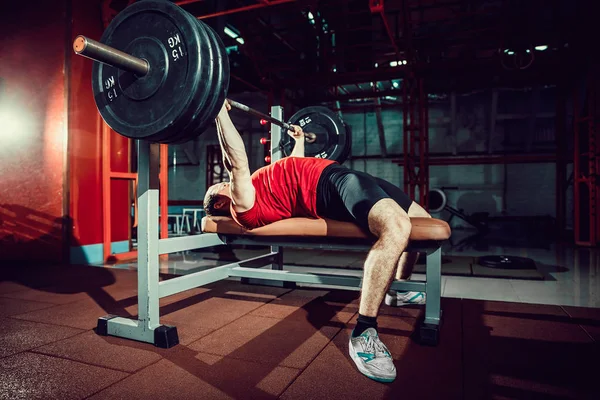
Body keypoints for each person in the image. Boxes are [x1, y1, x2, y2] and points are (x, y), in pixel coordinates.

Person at [204, 100, 431, 383]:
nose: (228, 183)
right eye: (222, 185)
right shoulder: (242, 205)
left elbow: (290, 170)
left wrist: (297, 141)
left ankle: (396, 289)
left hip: (338, 173)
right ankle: (364, 331)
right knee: (396, 227)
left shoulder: (260, 187)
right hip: (328, 186)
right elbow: (235, 161)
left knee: (424, 222)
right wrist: (218, 112)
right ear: (222, 199)